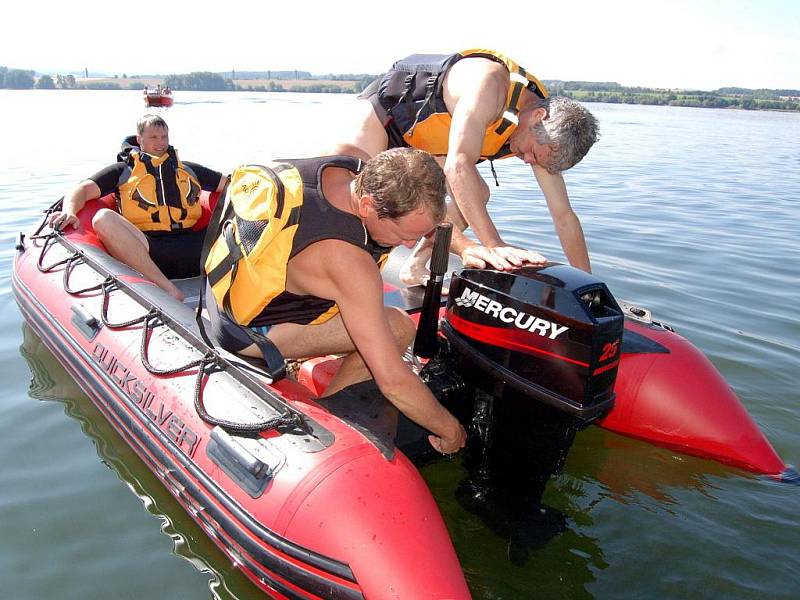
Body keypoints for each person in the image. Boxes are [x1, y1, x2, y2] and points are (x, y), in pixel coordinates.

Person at [204, 148, 467, 455]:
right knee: (397, 327)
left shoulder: (346, 165)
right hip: (246, 333)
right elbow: (393, 381)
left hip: (222, 290)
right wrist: (450, 430)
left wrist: (466, 245)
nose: (409, 245)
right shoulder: (348, 263)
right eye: (402, 234)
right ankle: (325, 421)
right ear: (367, 205)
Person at [328, 49, 599, 286]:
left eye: (535, 160)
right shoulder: (489, 86)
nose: (529, 161)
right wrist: (494, 246)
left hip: (429, 144)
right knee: (347, 184)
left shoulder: (542, 140)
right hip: (387, 115)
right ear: (538, 117)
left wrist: (588, 283)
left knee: (475, 195)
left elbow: (564, 216)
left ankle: (415, 265)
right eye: (531, 154)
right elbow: (458, 166)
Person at [47, 115, 227, 301]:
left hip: (198, 249)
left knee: (240, 211)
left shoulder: (188, 170)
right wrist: (69, 211)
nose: (160, 143)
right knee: (103, 219)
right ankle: (167, 289)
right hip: (150, 250)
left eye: (164, 137)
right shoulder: (122, 171)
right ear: (140, 139)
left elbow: (229, 184)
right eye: (153, 137)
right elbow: (82, 190)